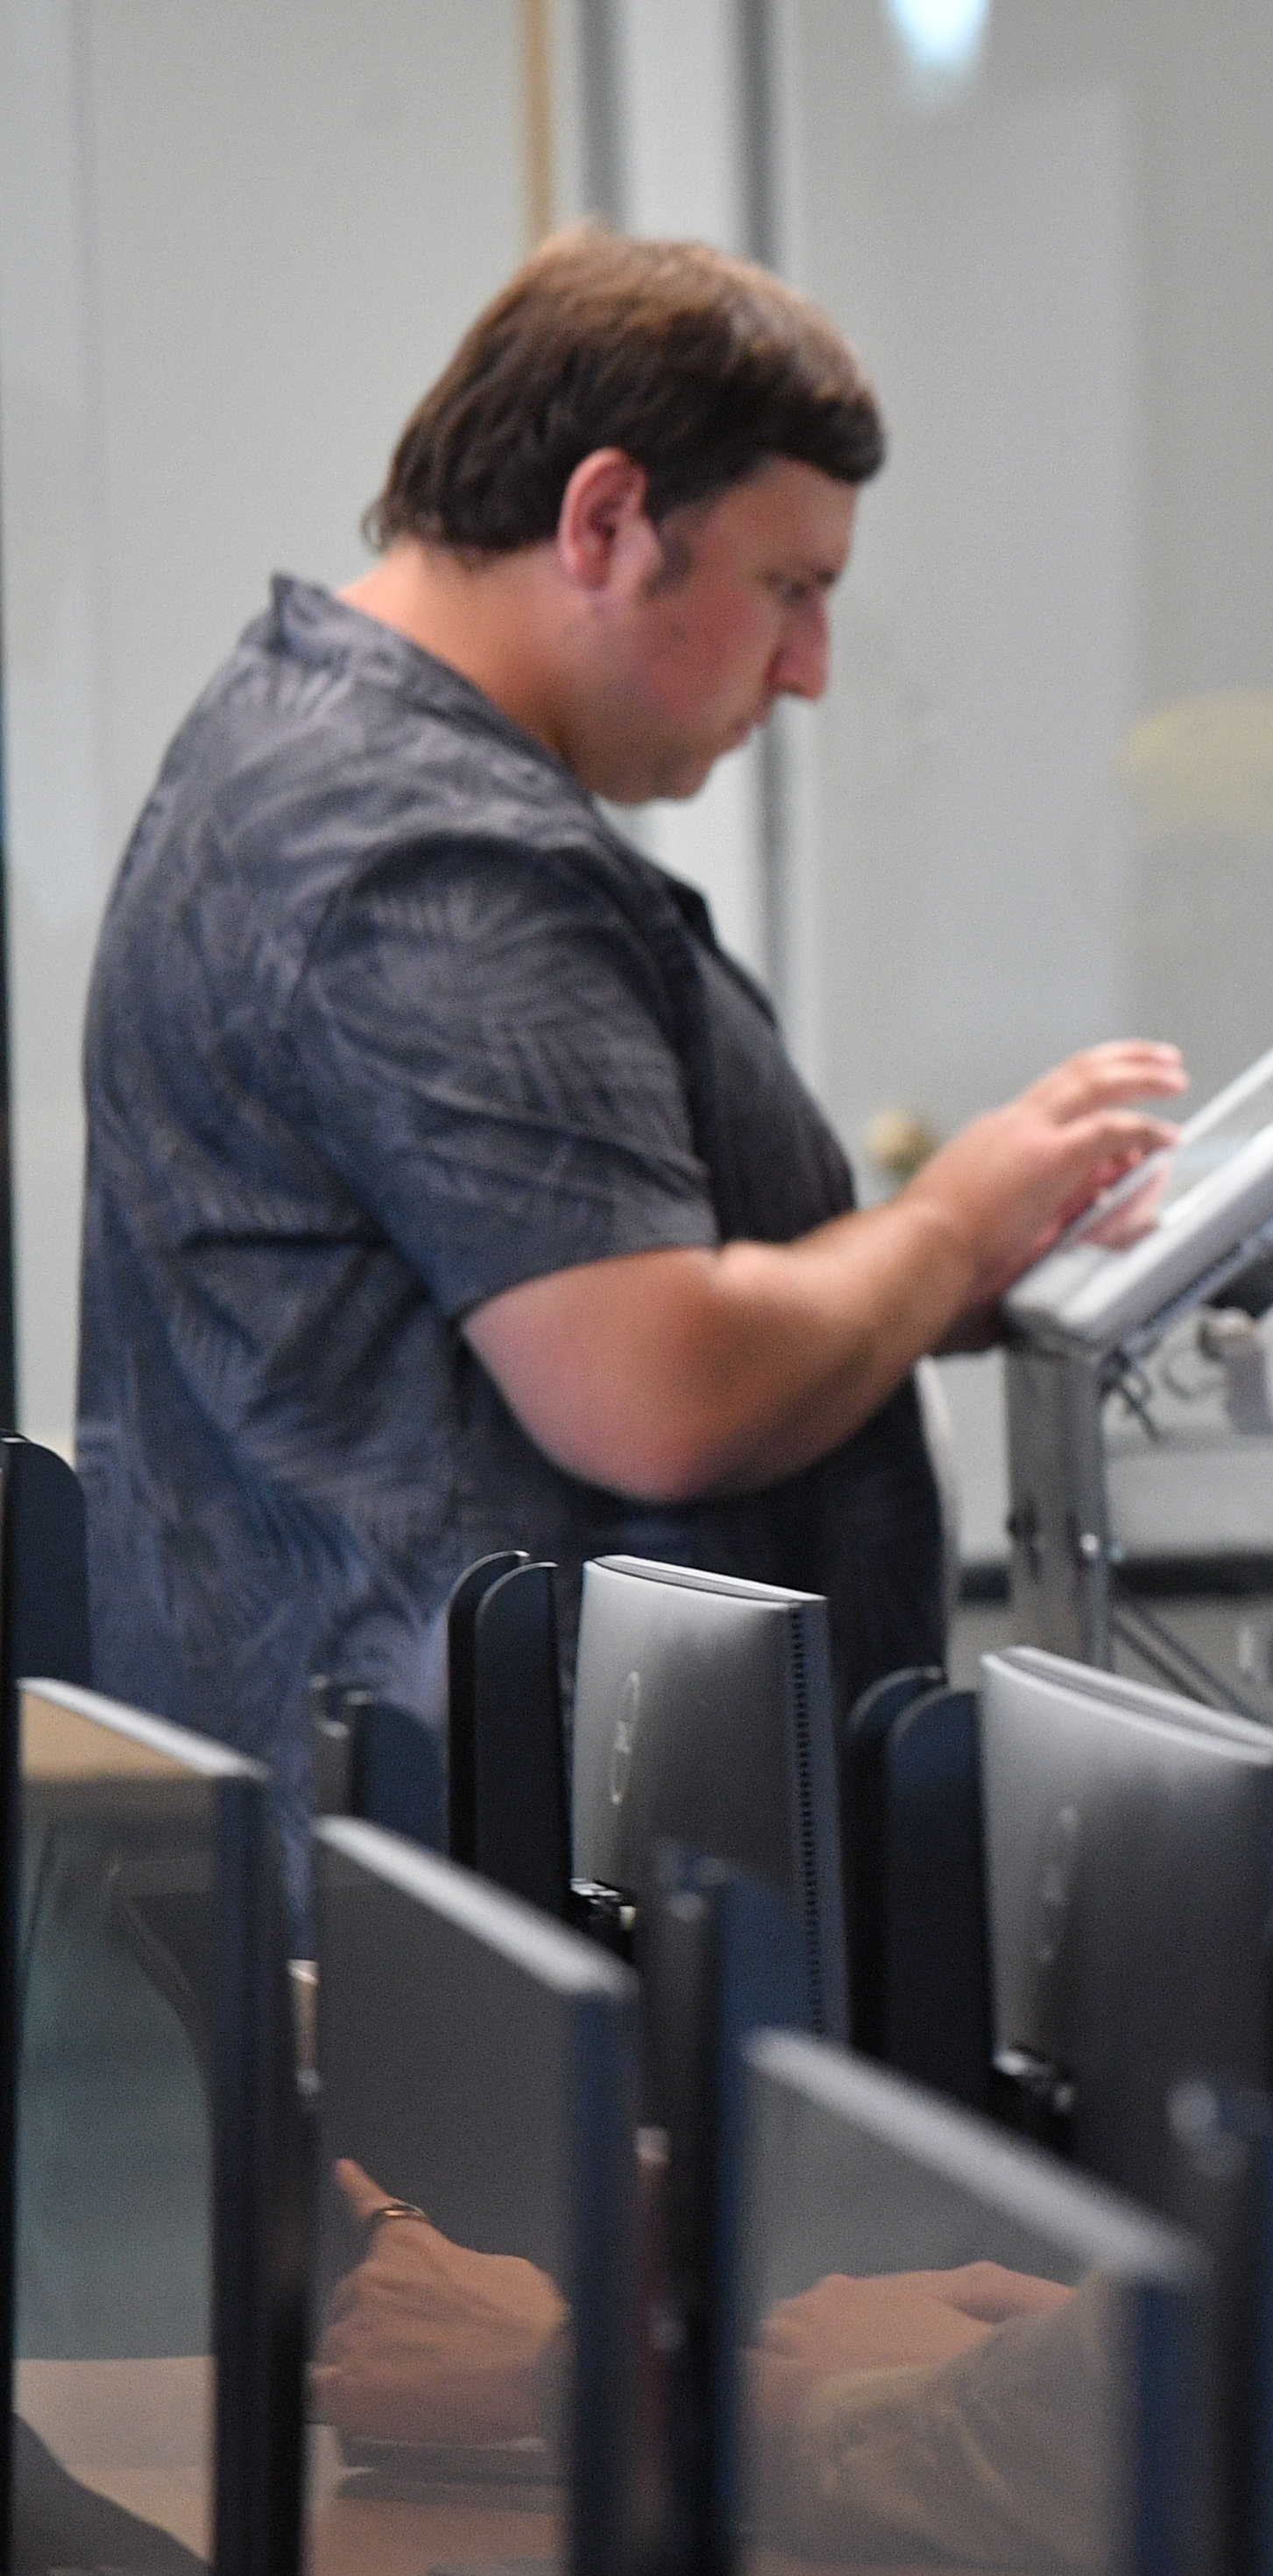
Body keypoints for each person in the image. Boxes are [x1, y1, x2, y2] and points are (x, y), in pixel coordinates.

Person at [78, 229, 1179, 1807]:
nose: (807, 670)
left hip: (442, 1853)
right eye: (786, 588)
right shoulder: (419, 853)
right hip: (494, 1904)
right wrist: (944, 1225)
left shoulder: (310, 748)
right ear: (605, 519)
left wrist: (924, 1288)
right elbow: (657, 1397)